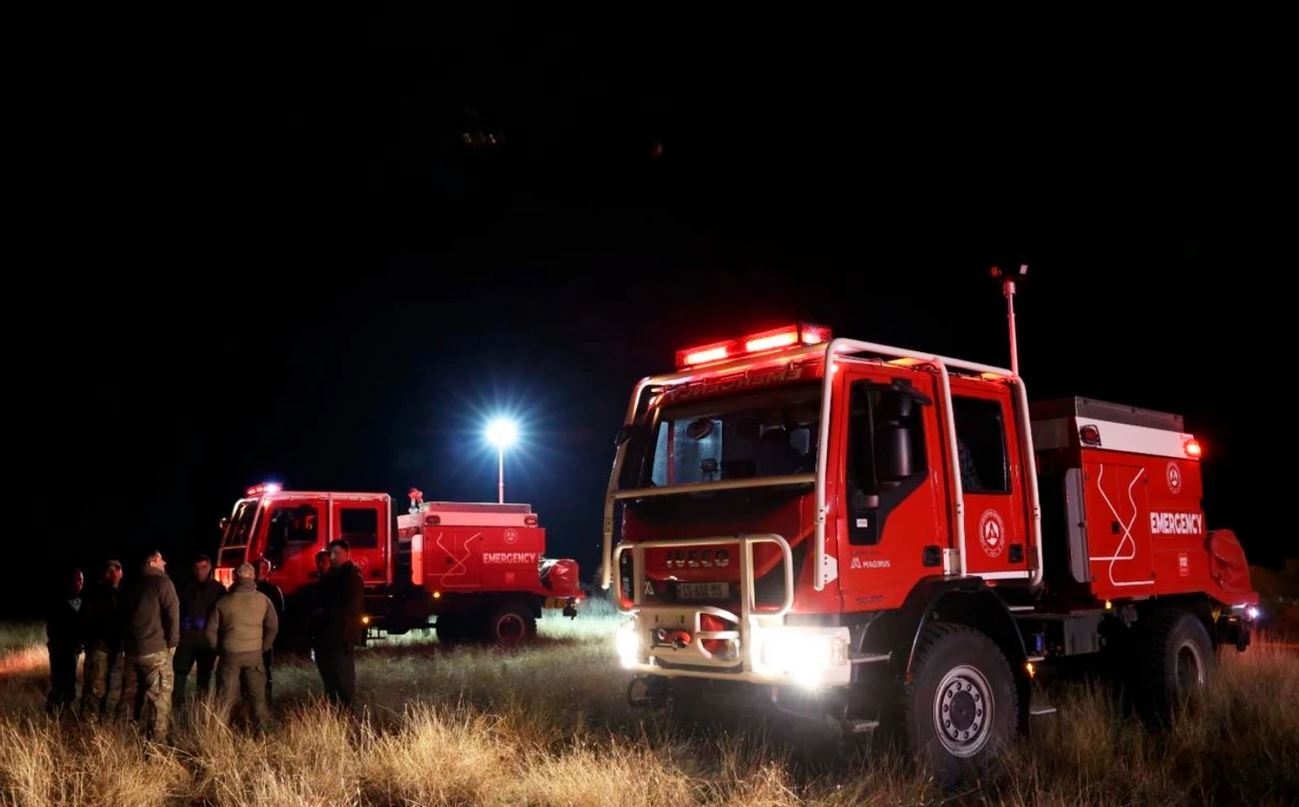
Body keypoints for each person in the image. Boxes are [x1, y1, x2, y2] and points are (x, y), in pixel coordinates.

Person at [206, 563, 278, 731]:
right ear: (252, 577)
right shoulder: (263, 600)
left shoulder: (223, 602)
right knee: (258, 697)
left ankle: (223, 733)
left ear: (235, 578)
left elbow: (210, 631)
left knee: (226, 698)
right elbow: (273, 627)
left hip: (229, 655)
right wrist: (263, 647)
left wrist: (219, 649)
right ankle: (261, 733)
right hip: (254, 655)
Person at [117, 551, 180, 742]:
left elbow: (121, 615)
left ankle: (123, 738)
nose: (165, 562)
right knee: (159, 699)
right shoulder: (162, 583)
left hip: (133, 651)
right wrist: (172, 643)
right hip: (155, 650)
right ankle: (158, 745)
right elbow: (173, 616)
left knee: (129, 696)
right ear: (153, 562)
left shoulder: (130, 584)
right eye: (161, 559)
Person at [315, 539, 365, 708]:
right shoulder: (332, 575)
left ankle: (348, 711)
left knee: (343, 678)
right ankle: (336, 708)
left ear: (346, 554)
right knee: (330, 676)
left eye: (337, 553)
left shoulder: (350, 576)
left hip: (341, 635)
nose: (333, 557)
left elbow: (349, 606)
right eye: (332, 554)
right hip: (328, 635)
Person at [173, 554, 226, 709]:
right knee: (180, 672)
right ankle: (176, 706)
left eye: (203, 567)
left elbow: (222, 614)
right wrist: (183, 622)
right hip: (186, 639)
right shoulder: (184, 587)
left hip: (206, 641)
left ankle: (201, 708)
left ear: (210, 567)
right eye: (197, 568)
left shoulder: (218, 589)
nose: (200, 571)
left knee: (204, 677)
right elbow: (176, 609)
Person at [80, 559, 124, 721]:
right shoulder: (95, 593)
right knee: (95, 689)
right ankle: (88, 725)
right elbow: (86, 620)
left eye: (117, 570)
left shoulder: (123, 594)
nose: (114, 574)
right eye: (109, 571)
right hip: (99, 648)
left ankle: (105, 725)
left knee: (114, 689)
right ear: (103, 574)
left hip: (117, 649)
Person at [45, 568, 85, 715]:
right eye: (77, 579)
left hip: (73, 650)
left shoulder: (81, 602)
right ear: (69, 582)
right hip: (60, 649)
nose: (81, 583)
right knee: (59, 682)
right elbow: (54, 629)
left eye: (82, 580)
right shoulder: (58, 603)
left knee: (70, 682)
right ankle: (53, 712)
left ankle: (64, 709)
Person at [253, 557, 284, 703]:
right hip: (250, 637)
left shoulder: (272, 590)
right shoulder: (248, 589)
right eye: (260, 568)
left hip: (264, 637)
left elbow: (278, 614)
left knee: (265, 670)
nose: (262, 571)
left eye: (265, 568)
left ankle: (266, 701)